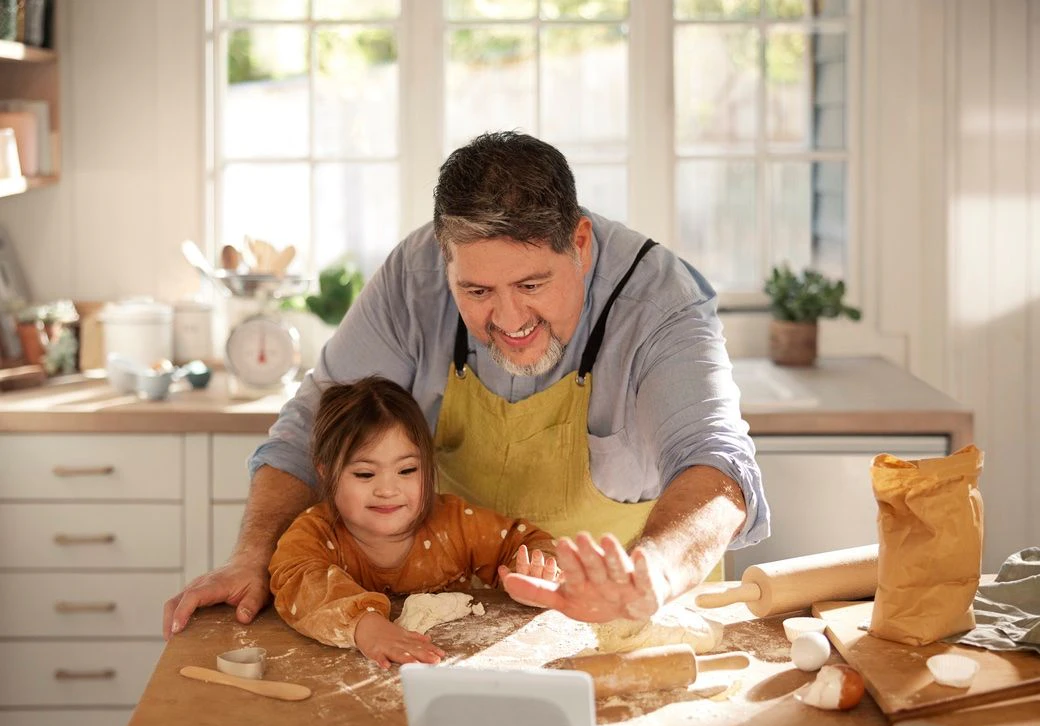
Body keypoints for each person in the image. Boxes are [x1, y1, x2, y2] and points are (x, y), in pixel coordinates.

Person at [163, 130, 770, 639]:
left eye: (531, 286)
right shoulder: (414, 278)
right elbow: (311, 427)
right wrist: (252, 557)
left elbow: (715, 464)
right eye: (476, 292)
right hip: (452, 621)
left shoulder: (659, 299)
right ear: (444, 256)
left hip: (626, 627)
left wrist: (651, 575)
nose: (508, 321)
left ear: (579, 244)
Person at [269, 375, 559, 669]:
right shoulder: (315, 534)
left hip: (445, 669)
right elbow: (297, 580)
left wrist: (536, 570)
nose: (387, 490)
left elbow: (522, 540)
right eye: (365, 474)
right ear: (326, 472)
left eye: (407, 470)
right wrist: (364, 624)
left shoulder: (454, 524)